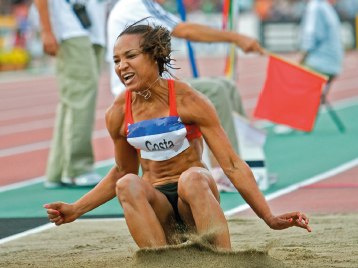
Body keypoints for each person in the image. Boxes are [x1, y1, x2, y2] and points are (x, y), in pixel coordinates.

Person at [44, 23, 311, 250]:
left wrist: (268, 217)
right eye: (116, 60)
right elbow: (122, 171)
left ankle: (223, 261)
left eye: (130, 56)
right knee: (127, 184)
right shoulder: (118, 112)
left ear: (155, 56)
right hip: (159, 207)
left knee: (192, 178)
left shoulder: (189, 100)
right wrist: (76, 208)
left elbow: (231, 164)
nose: (121, 66)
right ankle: (161, 260)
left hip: (194, 198)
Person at [107, 0, 262, 191]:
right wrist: (236, 37)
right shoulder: (138, 4)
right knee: (215, 90)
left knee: (226, 85)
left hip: (157, 83)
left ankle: (250, 161)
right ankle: (223, 171)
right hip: (143, 87)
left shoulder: (142, 5)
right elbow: (185, 30)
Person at [34, 0, 109, 188]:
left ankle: (58, 171)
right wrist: (47, 30)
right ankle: (77, 168)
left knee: (73, 100)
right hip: (70, 28)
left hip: (91, 28)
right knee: (82, 98)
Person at [274, 0, 344, 135]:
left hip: (322, 62)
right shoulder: (324, 6)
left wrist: (301, 57)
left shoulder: (315, 7)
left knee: (290, 75)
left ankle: (293, 121)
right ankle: (298, 119)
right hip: (331, 62)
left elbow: (311, 35)